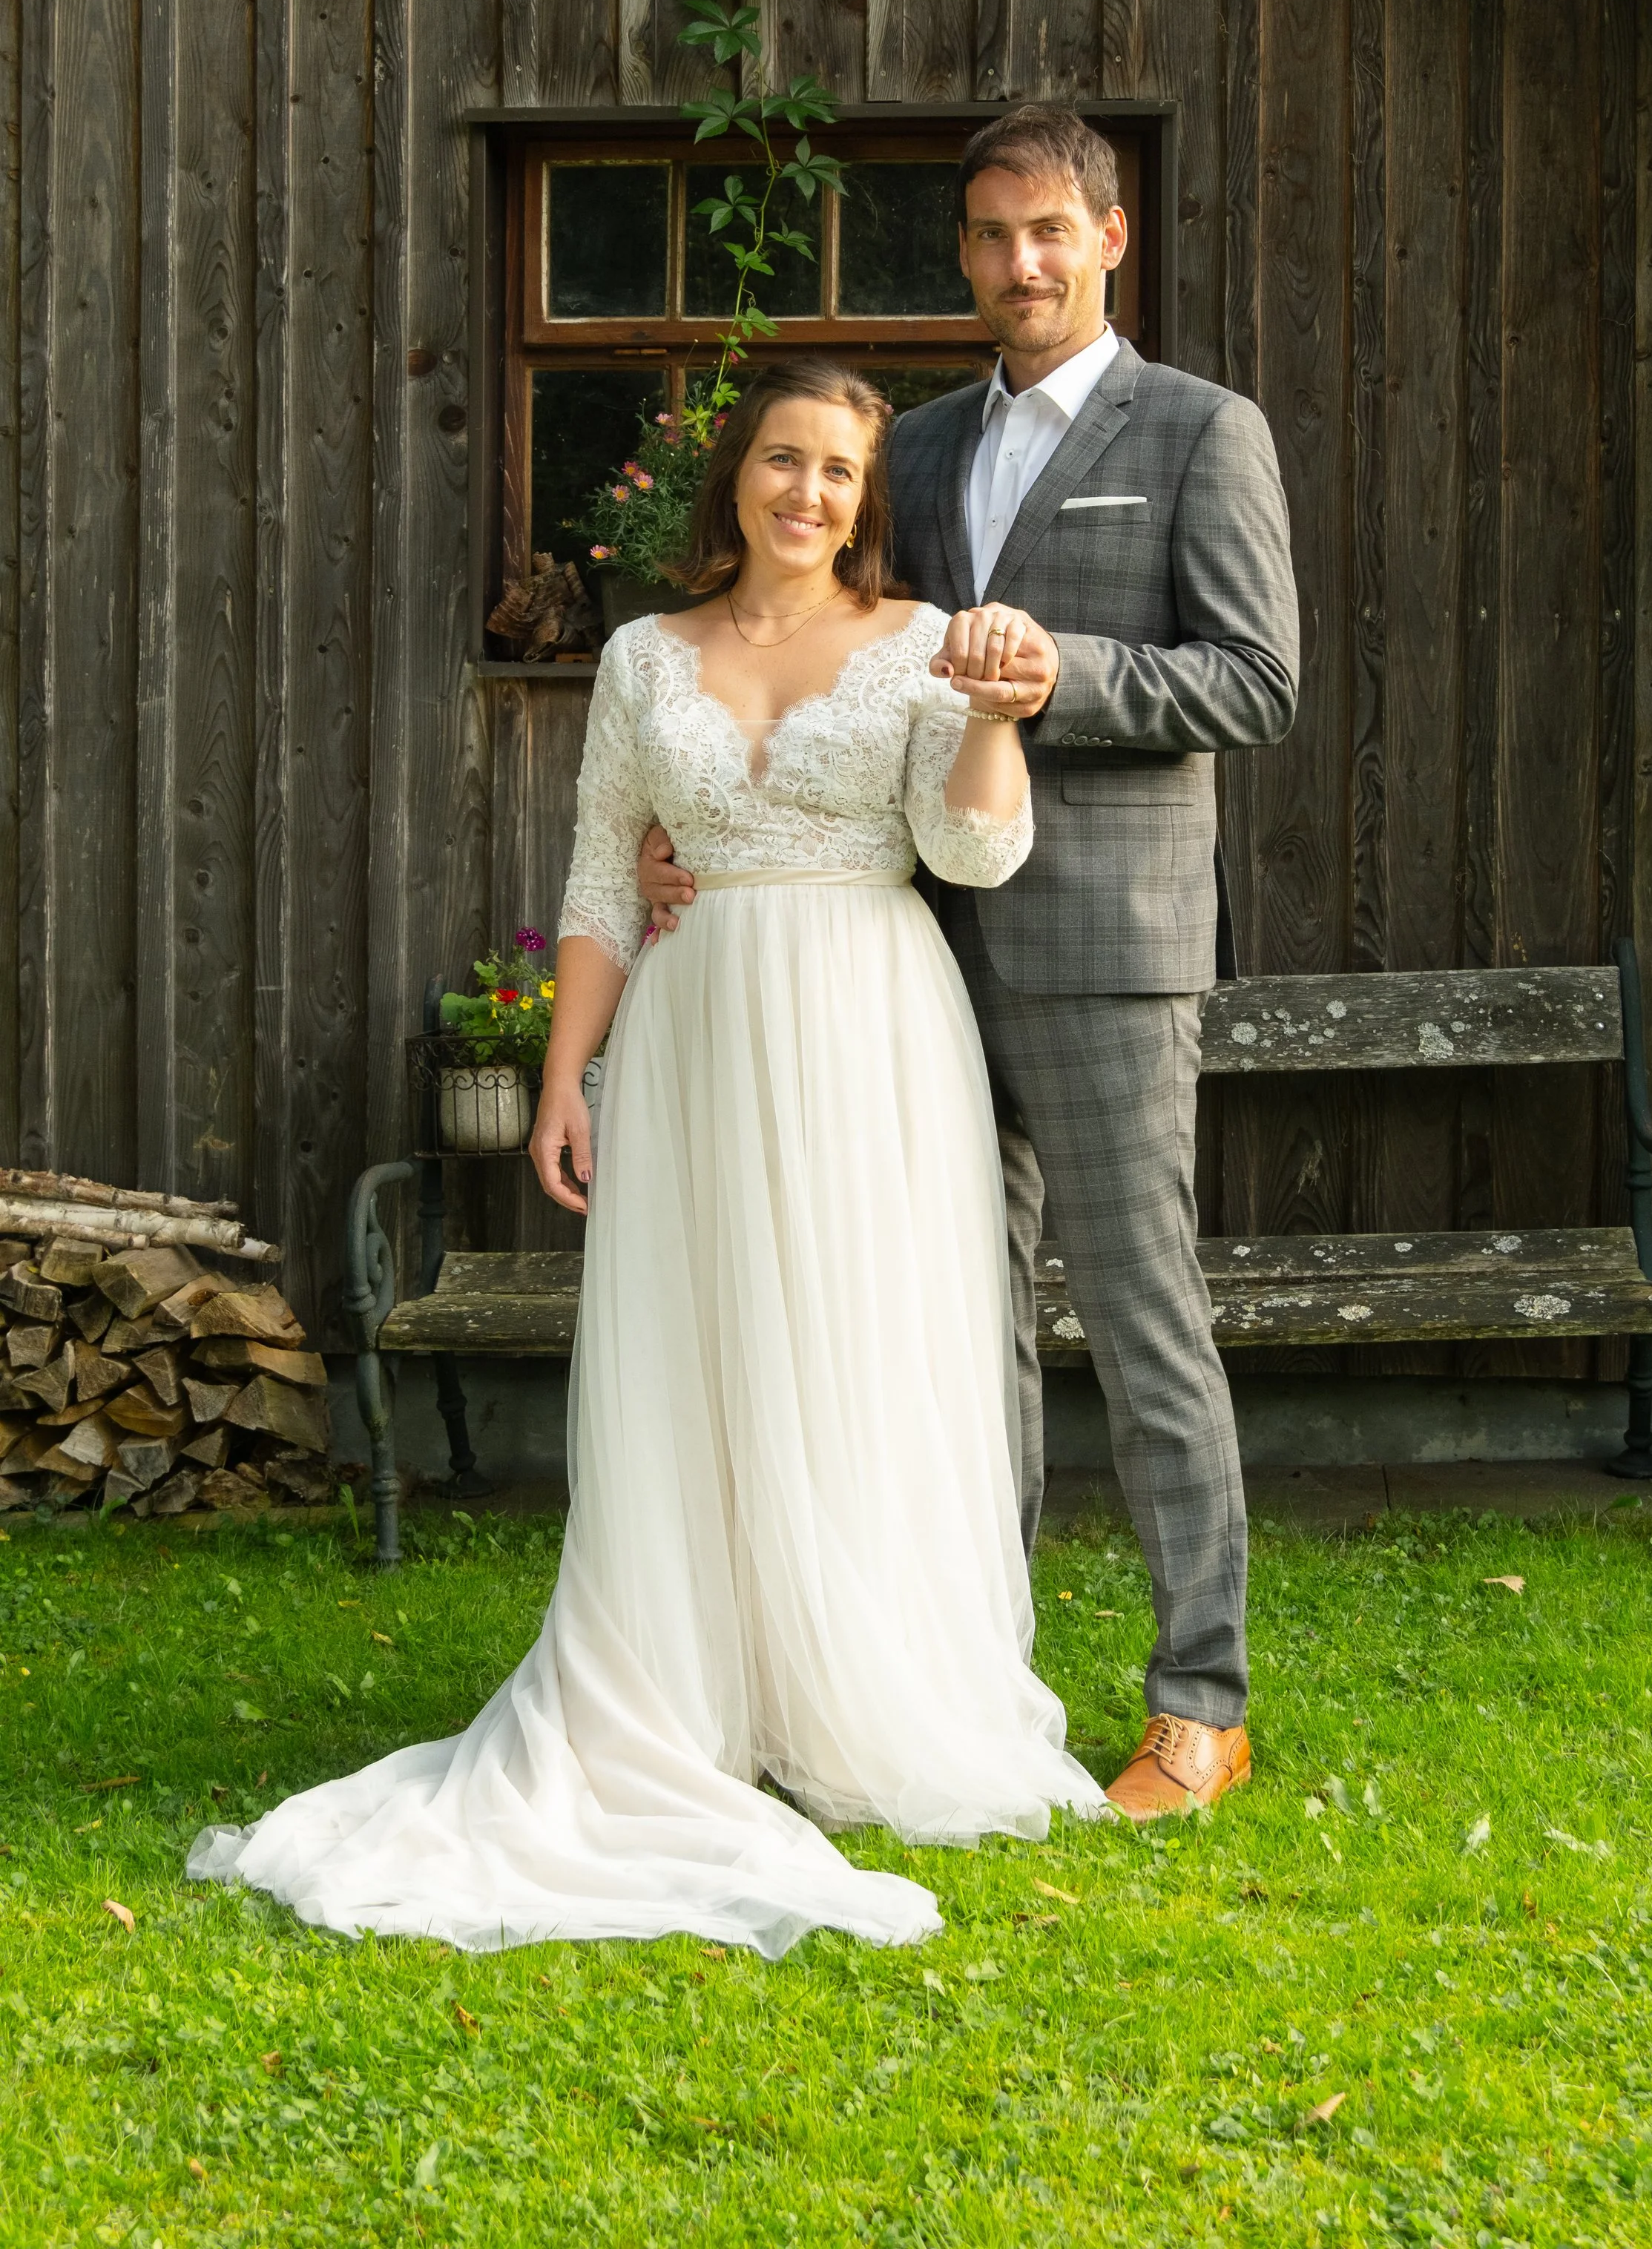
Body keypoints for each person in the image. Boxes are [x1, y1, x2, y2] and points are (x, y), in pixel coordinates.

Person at [188, 355, 1107, 1960]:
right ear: (733, 475)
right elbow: (603, 877)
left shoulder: (913, 652)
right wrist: (566, 1078)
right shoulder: (637, 656)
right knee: (698, 1356)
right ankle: (691, 1685)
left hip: (864, 1024)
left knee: (848, 1348)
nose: (806, 494)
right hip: (682, 1035)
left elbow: (972, 850)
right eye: (781, 461)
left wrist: (989, 724)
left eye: (837, 474)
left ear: (866, 504)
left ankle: (857, 1692)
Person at [639, 106, 1299, 1822]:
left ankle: (1196, 1703)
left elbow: (1252, 682)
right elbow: (836, 666)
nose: (1020, 263)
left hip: (1102, 950)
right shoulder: (913, 450)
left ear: (1109, 236)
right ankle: (963, 1683)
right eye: (992, 236)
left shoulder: (1200, 433)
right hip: (913, 959)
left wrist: (1052, 676)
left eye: (1050, 233)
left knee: (1144, 1322)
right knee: (954, 1328)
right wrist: (707, 821)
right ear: (966, 253)